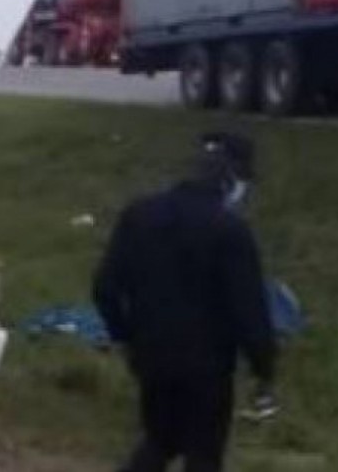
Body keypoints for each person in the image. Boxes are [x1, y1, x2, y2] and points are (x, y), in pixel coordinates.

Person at [93, 132, 278, 472]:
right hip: (208, 364)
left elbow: (104, 286)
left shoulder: (139, 214)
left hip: (151, 355)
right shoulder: (230, 231)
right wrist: (263, 367)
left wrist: (125, 336)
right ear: (230, 180)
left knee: (160, 440)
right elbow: (248, 308)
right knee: (203, 453)